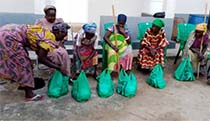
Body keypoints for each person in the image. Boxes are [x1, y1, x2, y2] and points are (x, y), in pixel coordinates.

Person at [0, 23, 70, 101]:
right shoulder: (49, 39)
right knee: (25, 65)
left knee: (20, 61)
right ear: (58, 32)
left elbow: (39, 51)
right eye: (64, 35)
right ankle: (29, 95)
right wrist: (58, 67)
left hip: (7, 31)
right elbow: (41, 59)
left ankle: (23, 84)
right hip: (9, 37)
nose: (64, 38)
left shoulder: (47, 32)